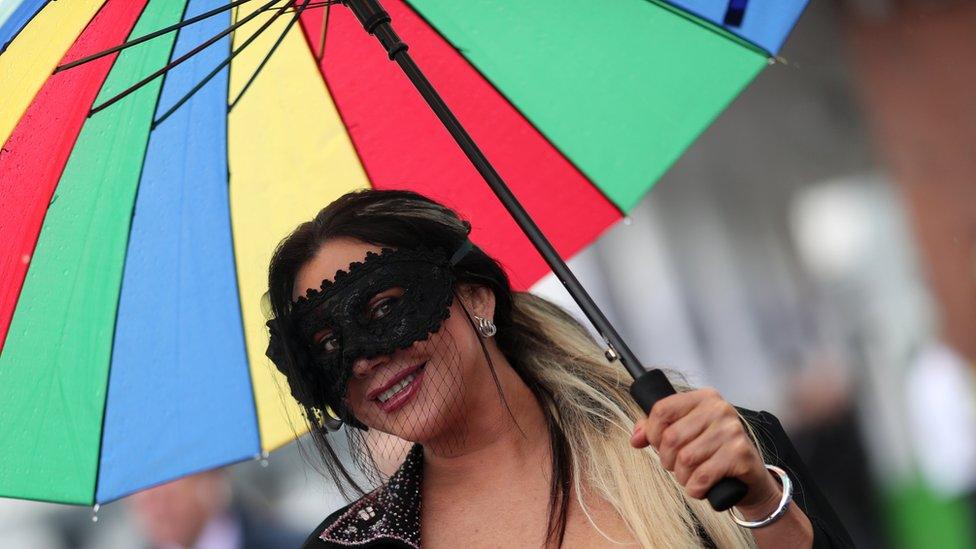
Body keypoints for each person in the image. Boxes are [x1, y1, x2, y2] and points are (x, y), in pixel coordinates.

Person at [264, 190, 854, 548]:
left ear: (475, 299)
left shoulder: (702, 455)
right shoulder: (348, 545)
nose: (365, 359)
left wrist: (761, 506)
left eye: (387, 309)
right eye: (326, 348)